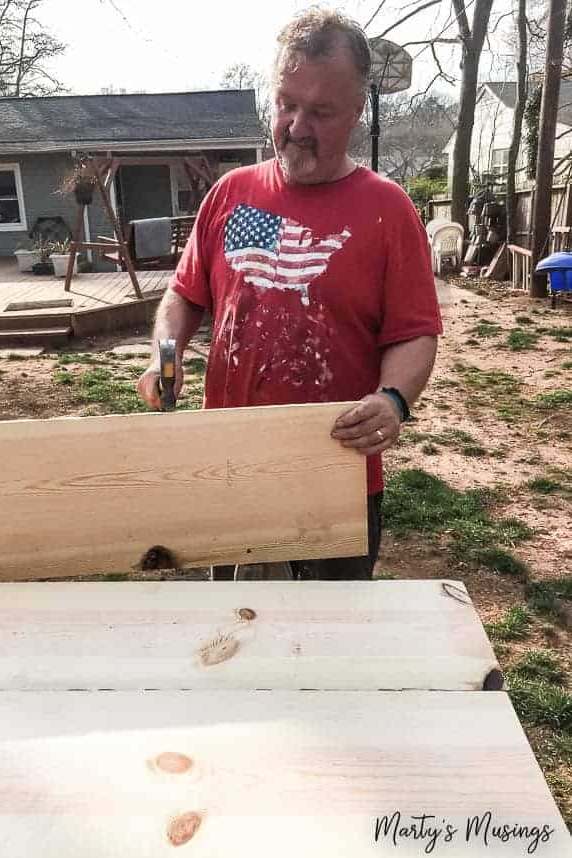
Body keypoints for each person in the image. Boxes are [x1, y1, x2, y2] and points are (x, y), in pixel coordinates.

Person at [137, 7, 442, 579]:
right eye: (286, 104)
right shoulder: (236, 194)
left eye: (321, 111)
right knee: (234, 634)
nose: (297, 126)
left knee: (330, 649)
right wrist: (166, 358)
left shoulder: (388, 210)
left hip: (336, 468)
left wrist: (394, 401)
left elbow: (415, 332)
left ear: (357, 111)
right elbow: (185, 295)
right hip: (229, 466)